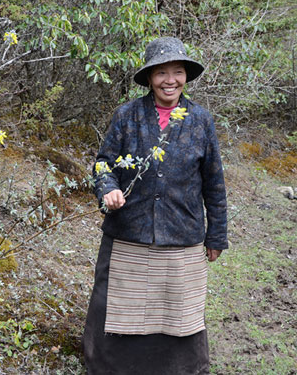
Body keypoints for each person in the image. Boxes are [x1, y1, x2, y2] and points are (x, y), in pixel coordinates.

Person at [82, 37, 228, 374]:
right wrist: (108, 189)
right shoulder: (127, 116)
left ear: (186, 77)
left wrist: (216, 235)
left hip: (183, 233)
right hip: (128, 232)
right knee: (117, 306)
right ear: (149, 77)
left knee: (179, 311)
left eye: (178, 72)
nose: (170, 80)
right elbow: (103, 163)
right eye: (162, 72)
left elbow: (214, 182)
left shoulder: (201, 121)